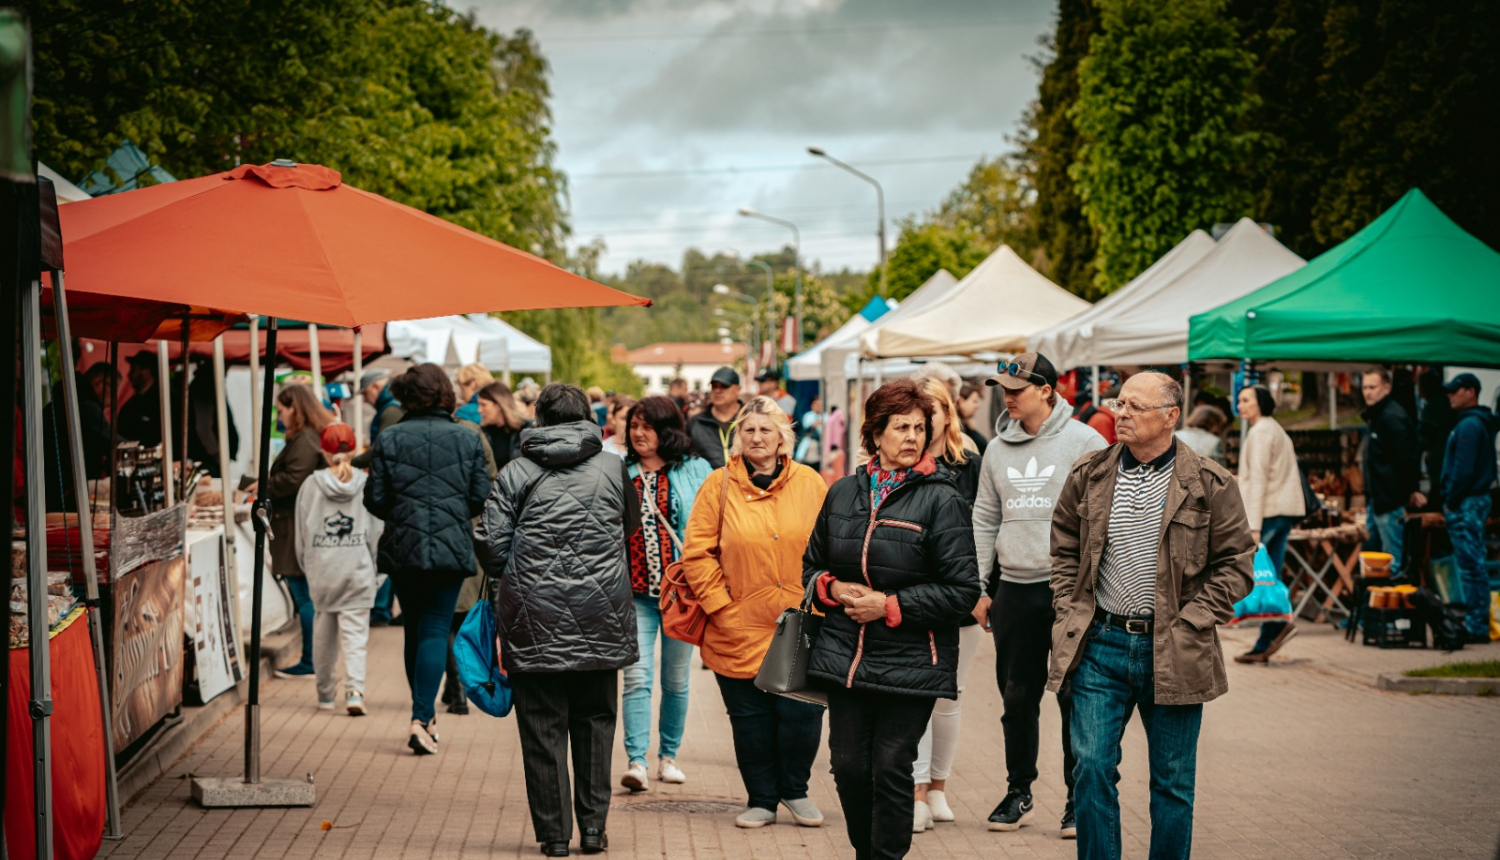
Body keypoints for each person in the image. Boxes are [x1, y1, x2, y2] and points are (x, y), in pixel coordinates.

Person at [1049, 371, 1254, 860]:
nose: (1121, 414)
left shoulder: (1209, 482)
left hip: (1176, 647)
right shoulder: (1090, 474)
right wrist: (1068, 607)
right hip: (1100, 645)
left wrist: (1192, 619)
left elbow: (1237, 565)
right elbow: (1063, 548)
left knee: (1173, 783)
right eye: (1120, 404)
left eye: (1135, 407)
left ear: (1170, 416)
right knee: (1091, 768)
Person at [803, 379, 980, 860]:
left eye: (920, 428)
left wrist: (891, 606)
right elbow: (811, 565)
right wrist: (832, 588)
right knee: (847, 766)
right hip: (846, 656)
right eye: (900, 426)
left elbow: (963, 591)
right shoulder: (841, 493)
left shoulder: (943, 499)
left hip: (913, 660)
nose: (912, 437)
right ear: (875, 433)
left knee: (890, 765)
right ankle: (869, 852)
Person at [475, 383, 640, 858]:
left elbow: (491, 544)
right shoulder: (612, 466)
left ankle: (553, 837)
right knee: (596, 723)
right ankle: (593, 831)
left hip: (532, 616)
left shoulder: (516, 471)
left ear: (539, 419)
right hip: (600, 611)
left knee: (542, 729)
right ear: (587, 416)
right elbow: (626, 524)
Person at [970, 352, 1105, 837]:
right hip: (1014, 591)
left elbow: (1103, 519)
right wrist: (981, 587)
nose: (1007, 395)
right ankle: (1018, 790)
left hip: (1068, 594)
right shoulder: (996, 450)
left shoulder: (1085, 441)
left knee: (1075, 696)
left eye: (1018, 387)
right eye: (1003, 387)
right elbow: (984, 518)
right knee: (1017, 697)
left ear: (1047, 390)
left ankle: (1076, 800)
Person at [681, 395, 829, 830]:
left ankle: (795, 790)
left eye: (767, 430)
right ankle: (761, 798)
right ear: (737, 438)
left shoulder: (811, 483)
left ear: (784, 438)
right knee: (751, 721)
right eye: (749, 430)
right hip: (738, 621)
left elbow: (829, 545)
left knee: (801, 714)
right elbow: (697, 554)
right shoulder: (718, 484)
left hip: (800, 619)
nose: (757, 437)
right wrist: (720, 607)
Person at [363, 363, 490, 755]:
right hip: (452, 545)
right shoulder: (467, 438)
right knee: (436, 628)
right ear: (445, 393)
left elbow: (375, 499)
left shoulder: (390, 437)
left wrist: (404, 514)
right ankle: (423, 719)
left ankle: (424, 716)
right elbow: (480, 495)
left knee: (414, 630)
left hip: (403, 545)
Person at [618, 396, 713, 792]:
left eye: (647, 426)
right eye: (634, 425)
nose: (639, 433)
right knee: (636, 678)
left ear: (667, 430)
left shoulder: (696, 470)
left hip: (681, 597)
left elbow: (710, 527)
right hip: (634, 594)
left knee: (675, 680)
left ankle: (668, 757)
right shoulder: (620, 471)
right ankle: (636, 761)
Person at [910, 377, 988, 833]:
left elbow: (983, 525)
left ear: (947, 411)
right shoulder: (898, 460)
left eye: (933, 407)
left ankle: (938, 786)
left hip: (959, 594)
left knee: (948, 696)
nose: (925, 417)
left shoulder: (970, 461)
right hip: (913, 595)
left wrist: (979, 590)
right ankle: (917, 790)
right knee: (917, 693)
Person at [294, 423, 379, 716]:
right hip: (357, 570)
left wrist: (308, 567)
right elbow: (375, 532)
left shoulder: (310, 485)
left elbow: (301, 534)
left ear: (323, 451)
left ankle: (325, 694)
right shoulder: (366, 483)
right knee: (355, 636)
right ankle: (355, 692)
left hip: (323, 571)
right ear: (355, 450)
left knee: (323, 633)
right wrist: (377, 572)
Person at [1233, 384, 1306, 664]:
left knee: (1265, 574)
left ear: (1261, 403)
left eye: (1246, 400)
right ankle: (1272, 630)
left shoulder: (1261, 431)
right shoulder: (1272, 428)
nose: (1240, 405)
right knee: (1270, 573)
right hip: (1278, 510)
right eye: (1239, 400)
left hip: (1269, 511)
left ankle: (1273, 629)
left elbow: (1260, 478)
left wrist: (1253, 525)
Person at [265, 384, 334, 678]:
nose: (279, 417)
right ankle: (314, 661)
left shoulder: (305, 439)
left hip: (295, 525)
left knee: (304, 597)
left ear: (296, 408)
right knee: (306, 597)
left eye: (281, 410)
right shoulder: (308, 437)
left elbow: (294, 479)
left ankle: (310, 661)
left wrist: (261, 485)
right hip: (298, 523)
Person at [1440, 373, 1499, 644]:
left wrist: (1451, 500)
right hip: (1472, 500)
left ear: (1471, 392)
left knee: (1471, 565)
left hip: (1466, 503)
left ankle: (1476, 625)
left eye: (1455, 391)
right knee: (1472, 563)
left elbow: (1462, 469)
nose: (1450, 396)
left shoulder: (1469, 426)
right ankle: (1477, 621)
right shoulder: (1475, 423)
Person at [1360, 368, 1422, 570]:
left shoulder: (1392, 417)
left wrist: (1411, 490)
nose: (1367, 392)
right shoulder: (1376, 416)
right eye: (1364, 387)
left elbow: (1407, 458)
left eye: (1372, 387)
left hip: (1389, 501)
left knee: (1391, 561)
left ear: (1386, 388)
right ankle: (1373, 600)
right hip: (1376, 501)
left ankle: (1391, 598)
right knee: (1372, 559)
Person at [1417, 371, 1457, 506]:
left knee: (1438, 497)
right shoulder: (1445, 402)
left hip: (1440, 461)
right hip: (1447, 460)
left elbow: (1425, 438)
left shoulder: (1434, 405)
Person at [689, 366, 742, 468]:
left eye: (724, 386)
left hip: (745, 482)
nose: (718, 390)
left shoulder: (749, 419)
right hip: (707, 482)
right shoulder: (695, 422)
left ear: (738, 389)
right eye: (714, 386)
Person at [474, 381, 531, 471]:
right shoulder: (481, 433)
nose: (479, 410)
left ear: (499, 405)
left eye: (483, 405)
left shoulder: (528, 430)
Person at [116, 350, 163, 446]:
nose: (129, 375)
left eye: (133, 370)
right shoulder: (131, 405)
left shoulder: (166, 401)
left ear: (146, 372)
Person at [957, 382, 989, 455]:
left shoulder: (966, 425)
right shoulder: (958, 429)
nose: (977, 406)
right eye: (974, 401)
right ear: (961, 401)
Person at [794, 395, 824, 470]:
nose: (818, 406)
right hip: (808, 447)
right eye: (815, 404)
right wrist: (813, 425)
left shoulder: (825, 416)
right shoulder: (808, 416)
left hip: (820, 447)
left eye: (819, 404)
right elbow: (805, 430)